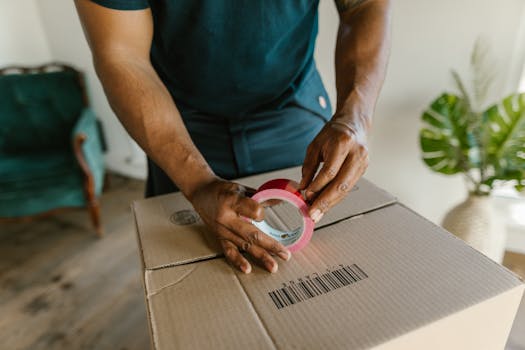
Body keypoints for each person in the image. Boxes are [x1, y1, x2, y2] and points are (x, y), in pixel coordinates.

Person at [75, 0, 391, 274]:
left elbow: (363, 5)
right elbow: (121, 54)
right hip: (175, 120)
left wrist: (356, 118)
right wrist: (197, 184)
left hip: (293, 105)